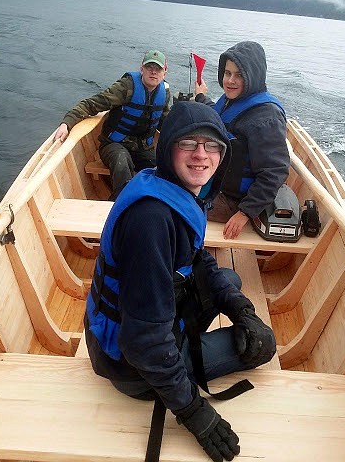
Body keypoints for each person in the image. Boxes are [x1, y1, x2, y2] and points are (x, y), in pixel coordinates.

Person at [84, 101, 277, 461]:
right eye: (189, 143)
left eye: (212, 145)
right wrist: (195, 415)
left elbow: (197, 257)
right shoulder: (152, 222)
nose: (201, 155)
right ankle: (167, 377)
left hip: (124, 330)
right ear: (169, 145)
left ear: (223, 151)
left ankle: (218, 321)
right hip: (129, 365)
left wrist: (242, 310)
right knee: (263, 346)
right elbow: (143, 342)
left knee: (230, 283)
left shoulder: (168, 186)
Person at [195, 41, 290, 239]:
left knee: (169, 205)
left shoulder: (266, 118)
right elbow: (217, 117)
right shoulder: (234, 100)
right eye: (227, 73)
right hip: (212, 182)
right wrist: (201, 98)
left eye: (239, 75)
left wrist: (244, 213)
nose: (230, 80)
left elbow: (275, 172)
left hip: (232, 201)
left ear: (252, 76)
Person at [54, 50, 170, 199]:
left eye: (158, 69)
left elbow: (166, 123)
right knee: (121, 161)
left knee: (164, 169)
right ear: (142, 69)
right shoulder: (126, 87)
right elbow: (91, 104)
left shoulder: (164, 93)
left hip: (142, 148)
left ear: (164, 73)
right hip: (114, 144)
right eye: (149, 67)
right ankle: (120, 206)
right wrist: (67, 123)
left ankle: (153, 204)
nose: (153, 72)